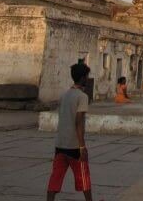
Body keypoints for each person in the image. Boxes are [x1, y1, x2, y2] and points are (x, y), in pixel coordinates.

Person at [46, 62, 96, 201]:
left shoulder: (64, 95)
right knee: (83, 177)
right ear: (82, 78)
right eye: (86, 76)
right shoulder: (82, 97)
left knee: (55, 178)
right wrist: (82, 146)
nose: (87, 79)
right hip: (74, 146)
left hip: (60, 144)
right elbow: (78, 122)